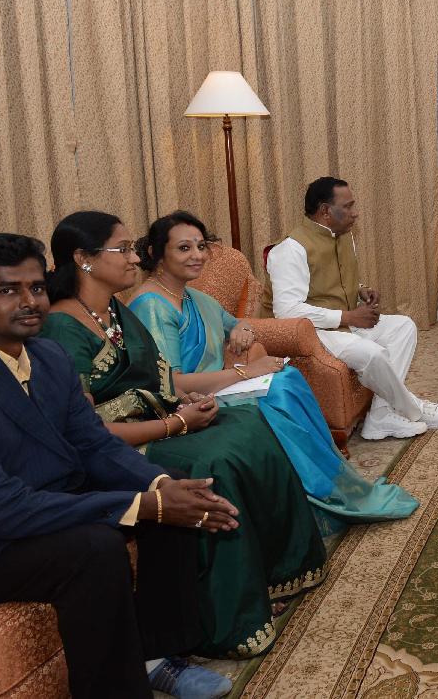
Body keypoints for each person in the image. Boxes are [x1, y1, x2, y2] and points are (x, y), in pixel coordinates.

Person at [0, 234, 236, 699]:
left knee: (173, 489)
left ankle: (157, 654)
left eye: (36, 288)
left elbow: (93, 443)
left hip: (39, 498)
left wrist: (157, 485)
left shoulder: (47, 355)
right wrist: (141, 504)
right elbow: (0, 509)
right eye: (7, 290)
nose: (29, 301)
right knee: (95, 547)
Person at [38, 211, 327, 660]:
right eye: (123, 249)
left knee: (248, 426)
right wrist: (177, 424)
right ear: (83, 258)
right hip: (118, 447)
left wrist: (183, 405)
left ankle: (271, 575)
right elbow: (86, 432)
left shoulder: (113, 310)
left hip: (159, 419)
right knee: (213, 463)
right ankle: (223, 617)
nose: (135, 258)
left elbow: (157, 381)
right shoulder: (62, 326)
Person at [129, 210, 419, 535]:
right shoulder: (153, 306)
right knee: (280, 389)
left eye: (200, 246)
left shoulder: (193, 297)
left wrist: (241, 330)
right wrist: (248, 372)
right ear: (156, 253)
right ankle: (316, 494)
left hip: (216, 387)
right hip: (186, 402)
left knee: (286, 380)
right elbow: (173, 383)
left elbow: (236, 323)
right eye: (184, 248)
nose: (197, 255)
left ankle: (325, 486)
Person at [265, 177, 438, 440]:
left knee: (404, 327)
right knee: (372, 354)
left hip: (342, 322)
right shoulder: (290, 249)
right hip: (311, 331)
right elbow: (286, 311)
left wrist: (360, 289)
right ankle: (414, 409)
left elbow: (334, 281)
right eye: (348, 206)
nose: (355, 213)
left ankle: (380, 417)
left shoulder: (344, 236)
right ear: (325, 211)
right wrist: (348, 316)